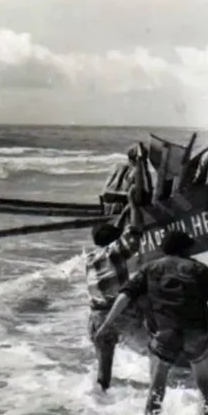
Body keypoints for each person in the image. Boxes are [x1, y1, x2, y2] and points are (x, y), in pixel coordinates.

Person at [95, 230, 208, 415]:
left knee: (157, 387)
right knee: (203, 386)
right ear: (185, 249)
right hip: (196, 333)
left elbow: (125, 296)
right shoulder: (198, 269)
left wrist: (107, 325)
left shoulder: (149, 269)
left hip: (166, 335)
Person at [85, 157, 148, 392]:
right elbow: (136, 230)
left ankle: (100, 398)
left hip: (95, 318)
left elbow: (119, 233)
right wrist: (134, 204)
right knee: (155, 347)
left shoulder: (90, 258)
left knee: (104, 367)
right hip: (119, 314)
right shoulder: (115, 252)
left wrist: (122, 217)